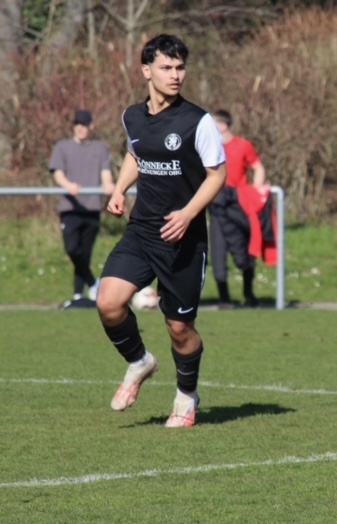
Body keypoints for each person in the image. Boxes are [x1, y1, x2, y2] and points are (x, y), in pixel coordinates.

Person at [96, 34, 226, 428]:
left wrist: (187, 214)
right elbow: (136, 154)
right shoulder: (132, 116)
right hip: (142, 231)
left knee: (179, 327)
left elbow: (217, 175)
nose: (175, 75)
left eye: (180, 67)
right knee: (108, 303)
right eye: (167, 67)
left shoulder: (197, 121)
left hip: (183, 239)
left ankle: (186, 396)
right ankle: (140, 361)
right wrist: (119, 189)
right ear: (146, 71)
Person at [49, 110, 115, 302]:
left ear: (91, 126)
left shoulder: (100, 148)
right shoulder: (62, 147)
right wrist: (68, 185)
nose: (80, 128)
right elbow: (57, 173)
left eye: (84, 124)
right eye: (77, 124)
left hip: (92, 209)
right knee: (72, 249)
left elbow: (105, 173)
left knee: (85, 254)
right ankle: (93, 283)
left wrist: (109, 185)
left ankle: (78, 294)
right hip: (70, 208)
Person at [208, 109, 266, 308]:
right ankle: (224, 299)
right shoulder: (207, 146)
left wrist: (255, 192)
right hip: (217, 205)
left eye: (214, 124)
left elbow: (258, 167)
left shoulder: (243, 145)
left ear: (223, 125)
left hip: (238, 204)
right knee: (218, 251)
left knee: (243, 253)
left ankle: (249, 293)